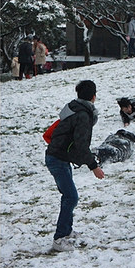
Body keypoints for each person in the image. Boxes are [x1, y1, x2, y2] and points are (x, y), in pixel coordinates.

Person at [45, 79, 105, 252]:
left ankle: (67, 232)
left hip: (59, 157)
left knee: (69, 196)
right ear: (94, 97)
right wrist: (94, 166)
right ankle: (59, 238)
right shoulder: (83, 115)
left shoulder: (74, 109)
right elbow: (81, 144)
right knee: (71, 197)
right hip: (57, 159)